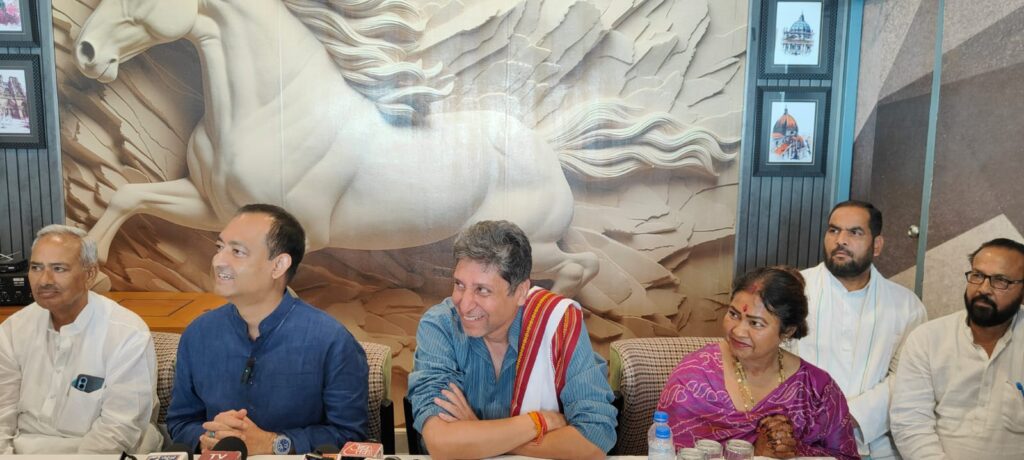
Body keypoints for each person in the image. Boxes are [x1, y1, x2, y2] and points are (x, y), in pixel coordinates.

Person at [166, 204, 368, 454]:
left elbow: (350, 435)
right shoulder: (198, 334)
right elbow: (180, 422)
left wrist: (273, 443)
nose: (219, 261)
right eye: (219, 247)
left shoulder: (331, 340)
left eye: (237, 251)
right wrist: (207, 437)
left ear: (278, 265)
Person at [407, 220, 617, 459]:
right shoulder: (440, 325)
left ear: (520, 292)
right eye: (459, 285)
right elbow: (441, 442)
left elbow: (594, 440)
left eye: (482, 290)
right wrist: (538, 422)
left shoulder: (557, 322)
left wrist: (477, 433)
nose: (464, 304)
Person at [657, 266, 858, 459]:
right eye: (733, 314)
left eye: (755, 323)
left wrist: (789, 449)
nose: (738, 331)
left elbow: (844, 456)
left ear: (787, 331)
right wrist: (754, 453)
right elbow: (666, 454)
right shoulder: (692, 378)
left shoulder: (816, 390)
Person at [0, 225, 162, 453]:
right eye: (36, 268)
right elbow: (2, 415)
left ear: (90, 274)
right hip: (21, 450)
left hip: (98, 452)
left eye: (59, 268)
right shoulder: (13, 330)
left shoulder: (127, 333)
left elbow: (120, 427)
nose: (44, 280)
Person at [791, 200, 927, 458]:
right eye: (833, 230)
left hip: (874, 444)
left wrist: (849, 415)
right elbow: (769, 359)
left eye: (855, 232)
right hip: (796, 437)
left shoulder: (906, 306)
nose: (840, 240)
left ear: (877, 245)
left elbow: (908, 378)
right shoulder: (794, 289)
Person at [890, 238, 1024, 459]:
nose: (983, 289)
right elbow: (911, 423)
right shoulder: (928, 339)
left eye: (1000, 280)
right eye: (977, 275)